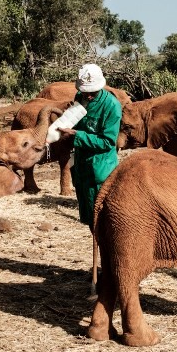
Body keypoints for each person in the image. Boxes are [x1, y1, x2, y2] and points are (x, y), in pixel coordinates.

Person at [57, 63, 122, 230]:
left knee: (102, 221)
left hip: (100, 170)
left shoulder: (112, 106)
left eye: (92, 92)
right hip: (81, 166)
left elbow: (107, 142)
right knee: (88, 218)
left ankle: (106, 255)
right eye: (85, 91)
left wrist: (76, 135)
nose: (88, 96)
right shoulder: (81, 97)